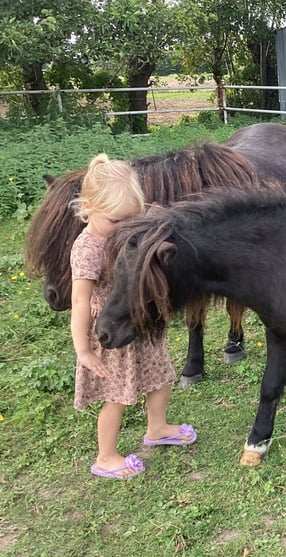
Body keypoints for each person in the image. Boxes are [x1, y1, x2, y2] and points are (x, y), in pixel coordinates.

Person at [70, 153, 196, 480]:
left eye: (131, 219)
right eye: (115, 220)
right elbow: (80, 301)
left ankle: (157, 428)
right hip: (110, 332)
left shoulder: (125, 234)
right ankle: (106, 456)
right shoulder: (87, 248)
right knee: (116, 397)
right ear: (88, 206)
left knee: (160, 377)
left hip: (138, 323)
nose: (123, 228)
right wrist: (83, 348)